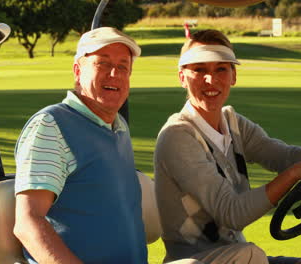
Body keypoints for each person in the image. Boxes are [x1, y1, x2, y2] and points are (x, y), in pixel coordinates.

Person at [13, 27, 201, 264]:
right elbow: (28, 223)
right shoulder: (52, 126)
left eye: (123, 66)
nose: (115, 73)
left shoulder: (117, 127)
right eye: (102, 63)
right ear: (77, 71)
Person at [154, 29, 301, 264]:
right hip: (194, 259)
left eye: (220, 69)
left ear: (233, 76)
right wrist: (296, 173)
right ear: (182, 77)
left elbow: (284, 156)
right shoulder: (178, 136)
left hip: (238, 255)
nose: (210, 80)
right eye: (199, 70)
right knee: (250, 254)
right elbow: (233, 213)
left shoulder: (233, 123)